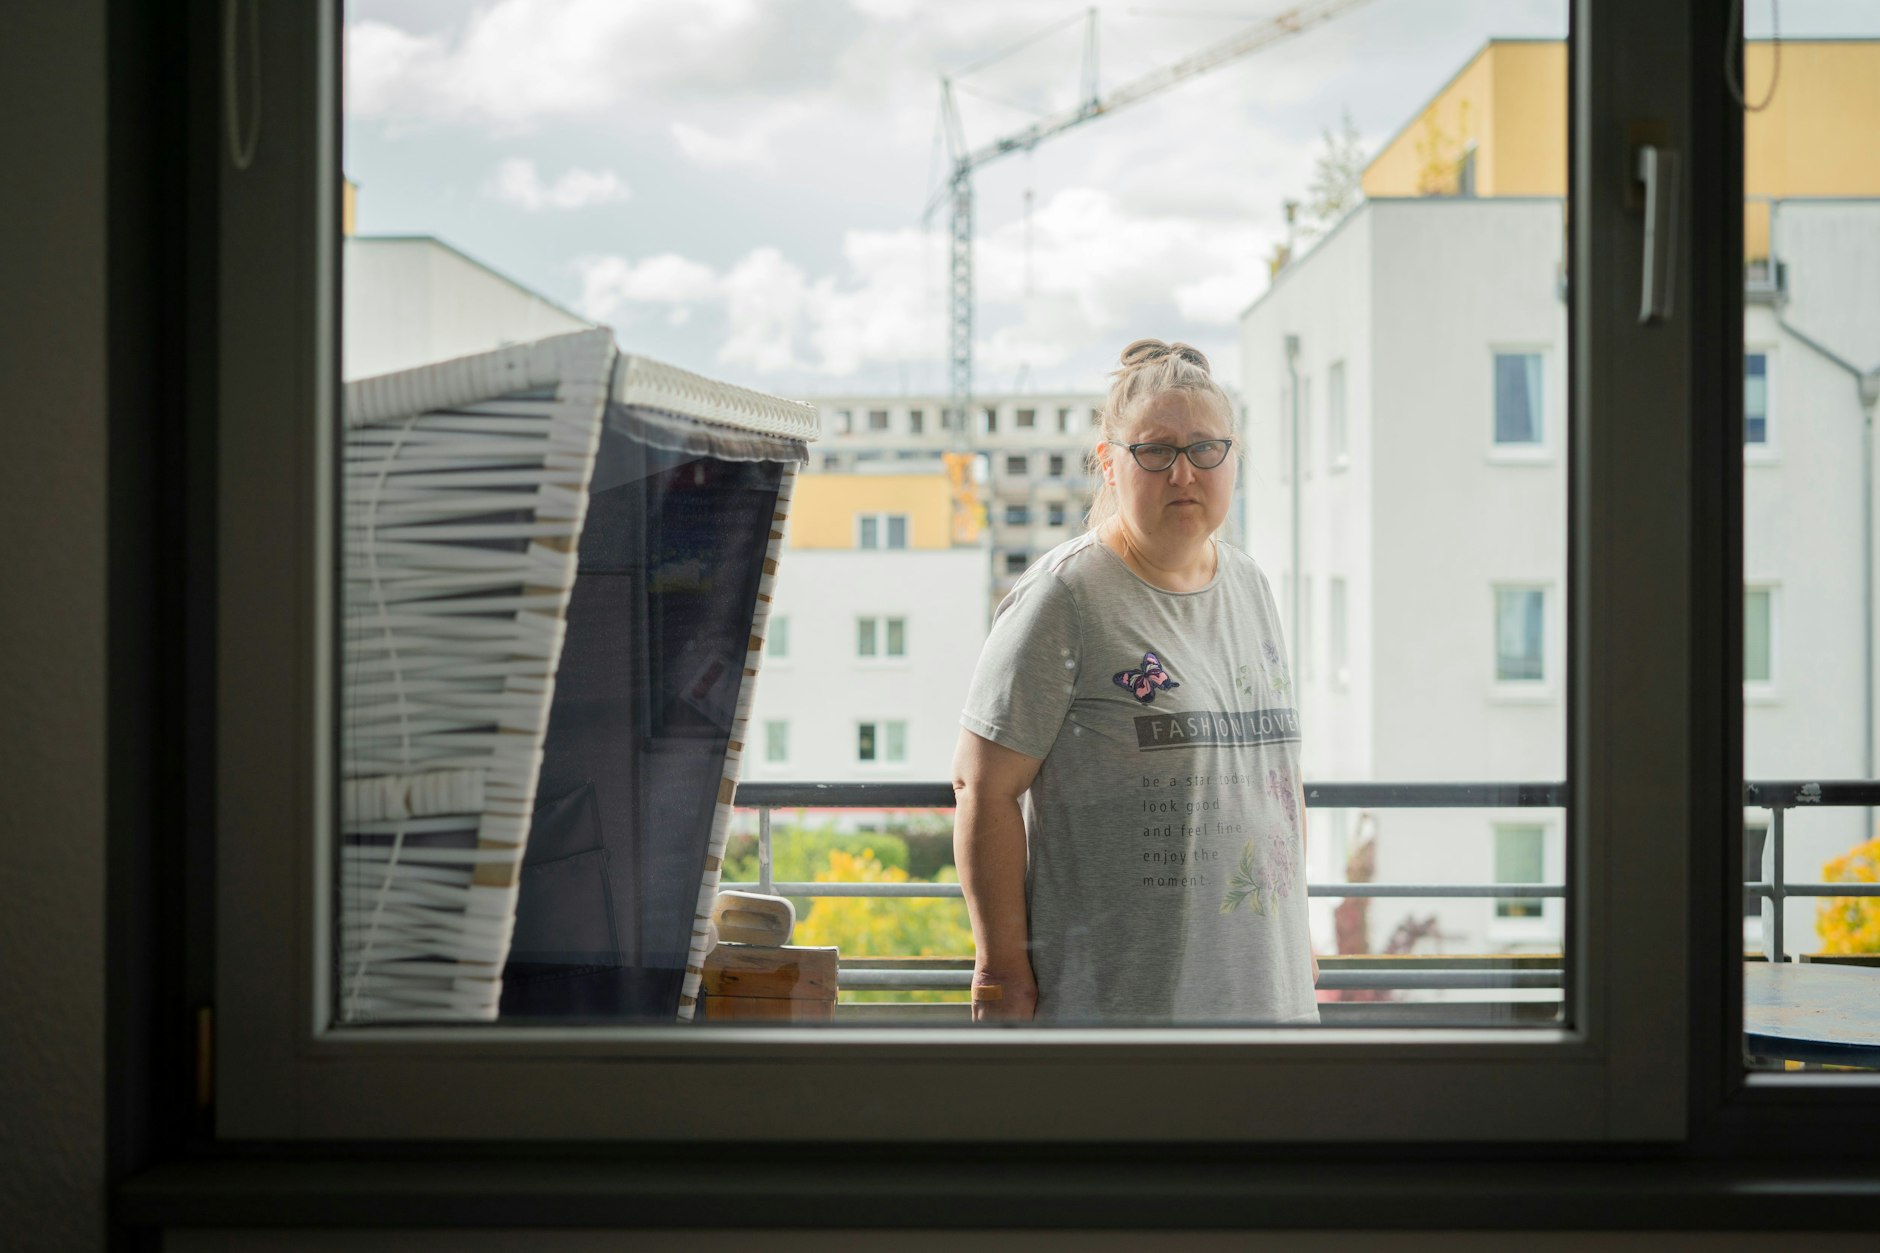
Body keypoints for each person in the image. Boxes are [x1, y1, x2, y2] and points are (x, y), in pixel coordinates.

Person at [952, 338, 1318, 1024]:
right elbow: (982, 786)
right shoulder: (1066, 597)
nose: (1184, 472)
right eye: (1156, 450)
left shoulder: (1251, 585)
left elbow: (1276, 773)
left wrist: (1298, 927)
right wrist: (1001, 968)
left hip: (1268, 994)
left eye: (1207, 448)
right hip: (1125, 1007)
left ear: (1234, 457)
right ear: (1109, 463)